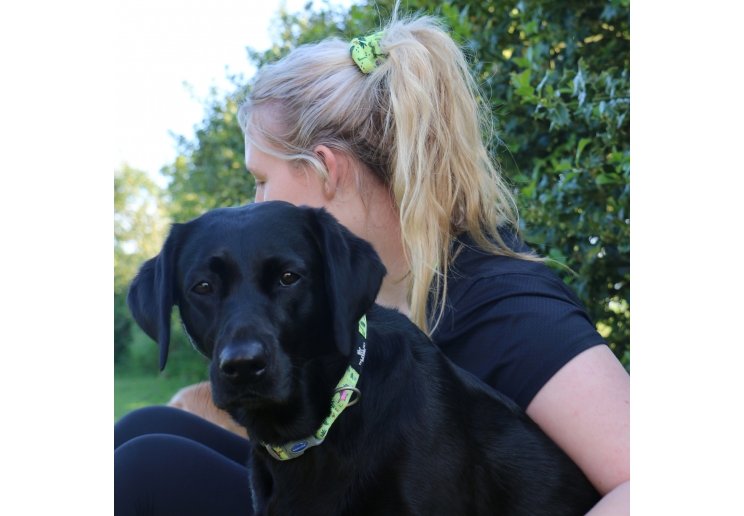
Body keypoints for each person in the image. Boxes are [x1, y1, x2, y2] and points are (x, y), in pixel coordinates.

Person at [115, 12, 629, 516]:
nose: (253, 205)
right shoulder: (367, 292)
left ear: (326, 169)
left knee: (146, 468)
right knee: (146, 431)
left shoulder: (507, 309)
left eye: (260, 179)